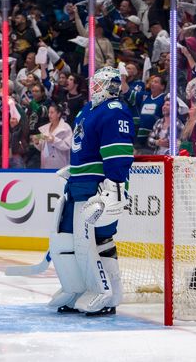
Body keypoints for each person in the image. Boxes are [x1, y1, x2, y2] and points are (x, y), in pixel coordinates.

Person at [49, 66, 135, 316]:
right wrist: (75, 169)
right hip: (79, 183)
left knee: (97, 239)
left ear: (111, 86)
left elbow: (117, 152)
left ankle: (107, 293)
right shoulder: (88, 109)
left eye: (98, 84)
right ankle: (75, 287)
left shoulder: (115, 111)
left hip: (97, 186)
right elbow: (82, 145)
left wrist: (116, 185)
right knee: (66, 237)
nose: (93, 88)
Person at [35, 103, 73, 169]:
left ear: (58, 114)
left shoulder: (66, 128)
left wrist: (54, 140)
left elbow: (68, 145)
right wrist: (37, 142)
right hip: (46, 165)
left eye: (52, 112)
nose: (49, 115)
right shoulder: (45, 128)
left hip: (60, 165)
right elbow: (42, 148)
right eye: (49, 112)